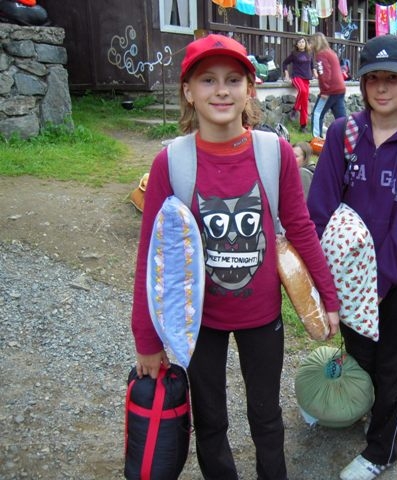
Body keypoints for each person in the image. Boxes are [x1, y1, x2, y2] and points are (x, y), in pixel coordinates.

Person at [130, 34, 340, 480]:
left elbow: (300, 228)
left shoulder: (274, 153)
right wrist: (147, 338)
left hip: (261, 316)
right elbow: (152, 254)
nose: (221, 91)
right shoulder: (171, 162)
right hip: (198, 320)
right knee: (210, 420)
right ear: (188, 91)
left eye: (233, 80)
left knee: (266, 416)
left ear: (250, 89)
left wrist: (329, 297)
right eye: (207, 80)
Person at [307, 34, 397, 480]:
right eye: (373, 79)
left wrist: (378, 285)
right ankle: (357, 406)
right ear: (362, 84)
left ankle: (383, 449)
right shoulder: (343, 134)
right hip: (348, 276)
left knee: (392, 364)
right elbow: (320, 206)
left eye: (393, 79)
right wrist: (324, 279)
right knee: (360, 351)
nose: (382, 88)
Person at [308, 32, 346, 139]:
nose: (309, 45)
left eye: (310, 43)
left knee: (317, 113)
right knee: (341, 118)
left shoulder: (321, 55)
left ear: (315, 42)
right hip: (340, 88)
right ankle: (347, 136)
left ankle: (317, 139)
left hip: (330, 90)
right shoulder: (331, 52)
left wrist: (325, 91)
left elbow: (324, 73)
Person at [282, 36, 314, 134]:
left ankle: (303, 126)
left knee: (305, 103)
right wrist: (286, 74)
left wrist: (316, 74)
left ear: (305, 43)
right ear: (296, 44)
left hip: (306, 79)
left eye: (303, 42)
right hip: (297, 77)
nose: (301, 44)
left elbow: (312, 65)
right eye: (299, 42)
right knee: (302, 91)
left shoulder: (309, 53)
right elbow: (284, 63)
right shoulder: (294, 54)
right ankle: (295, 109)